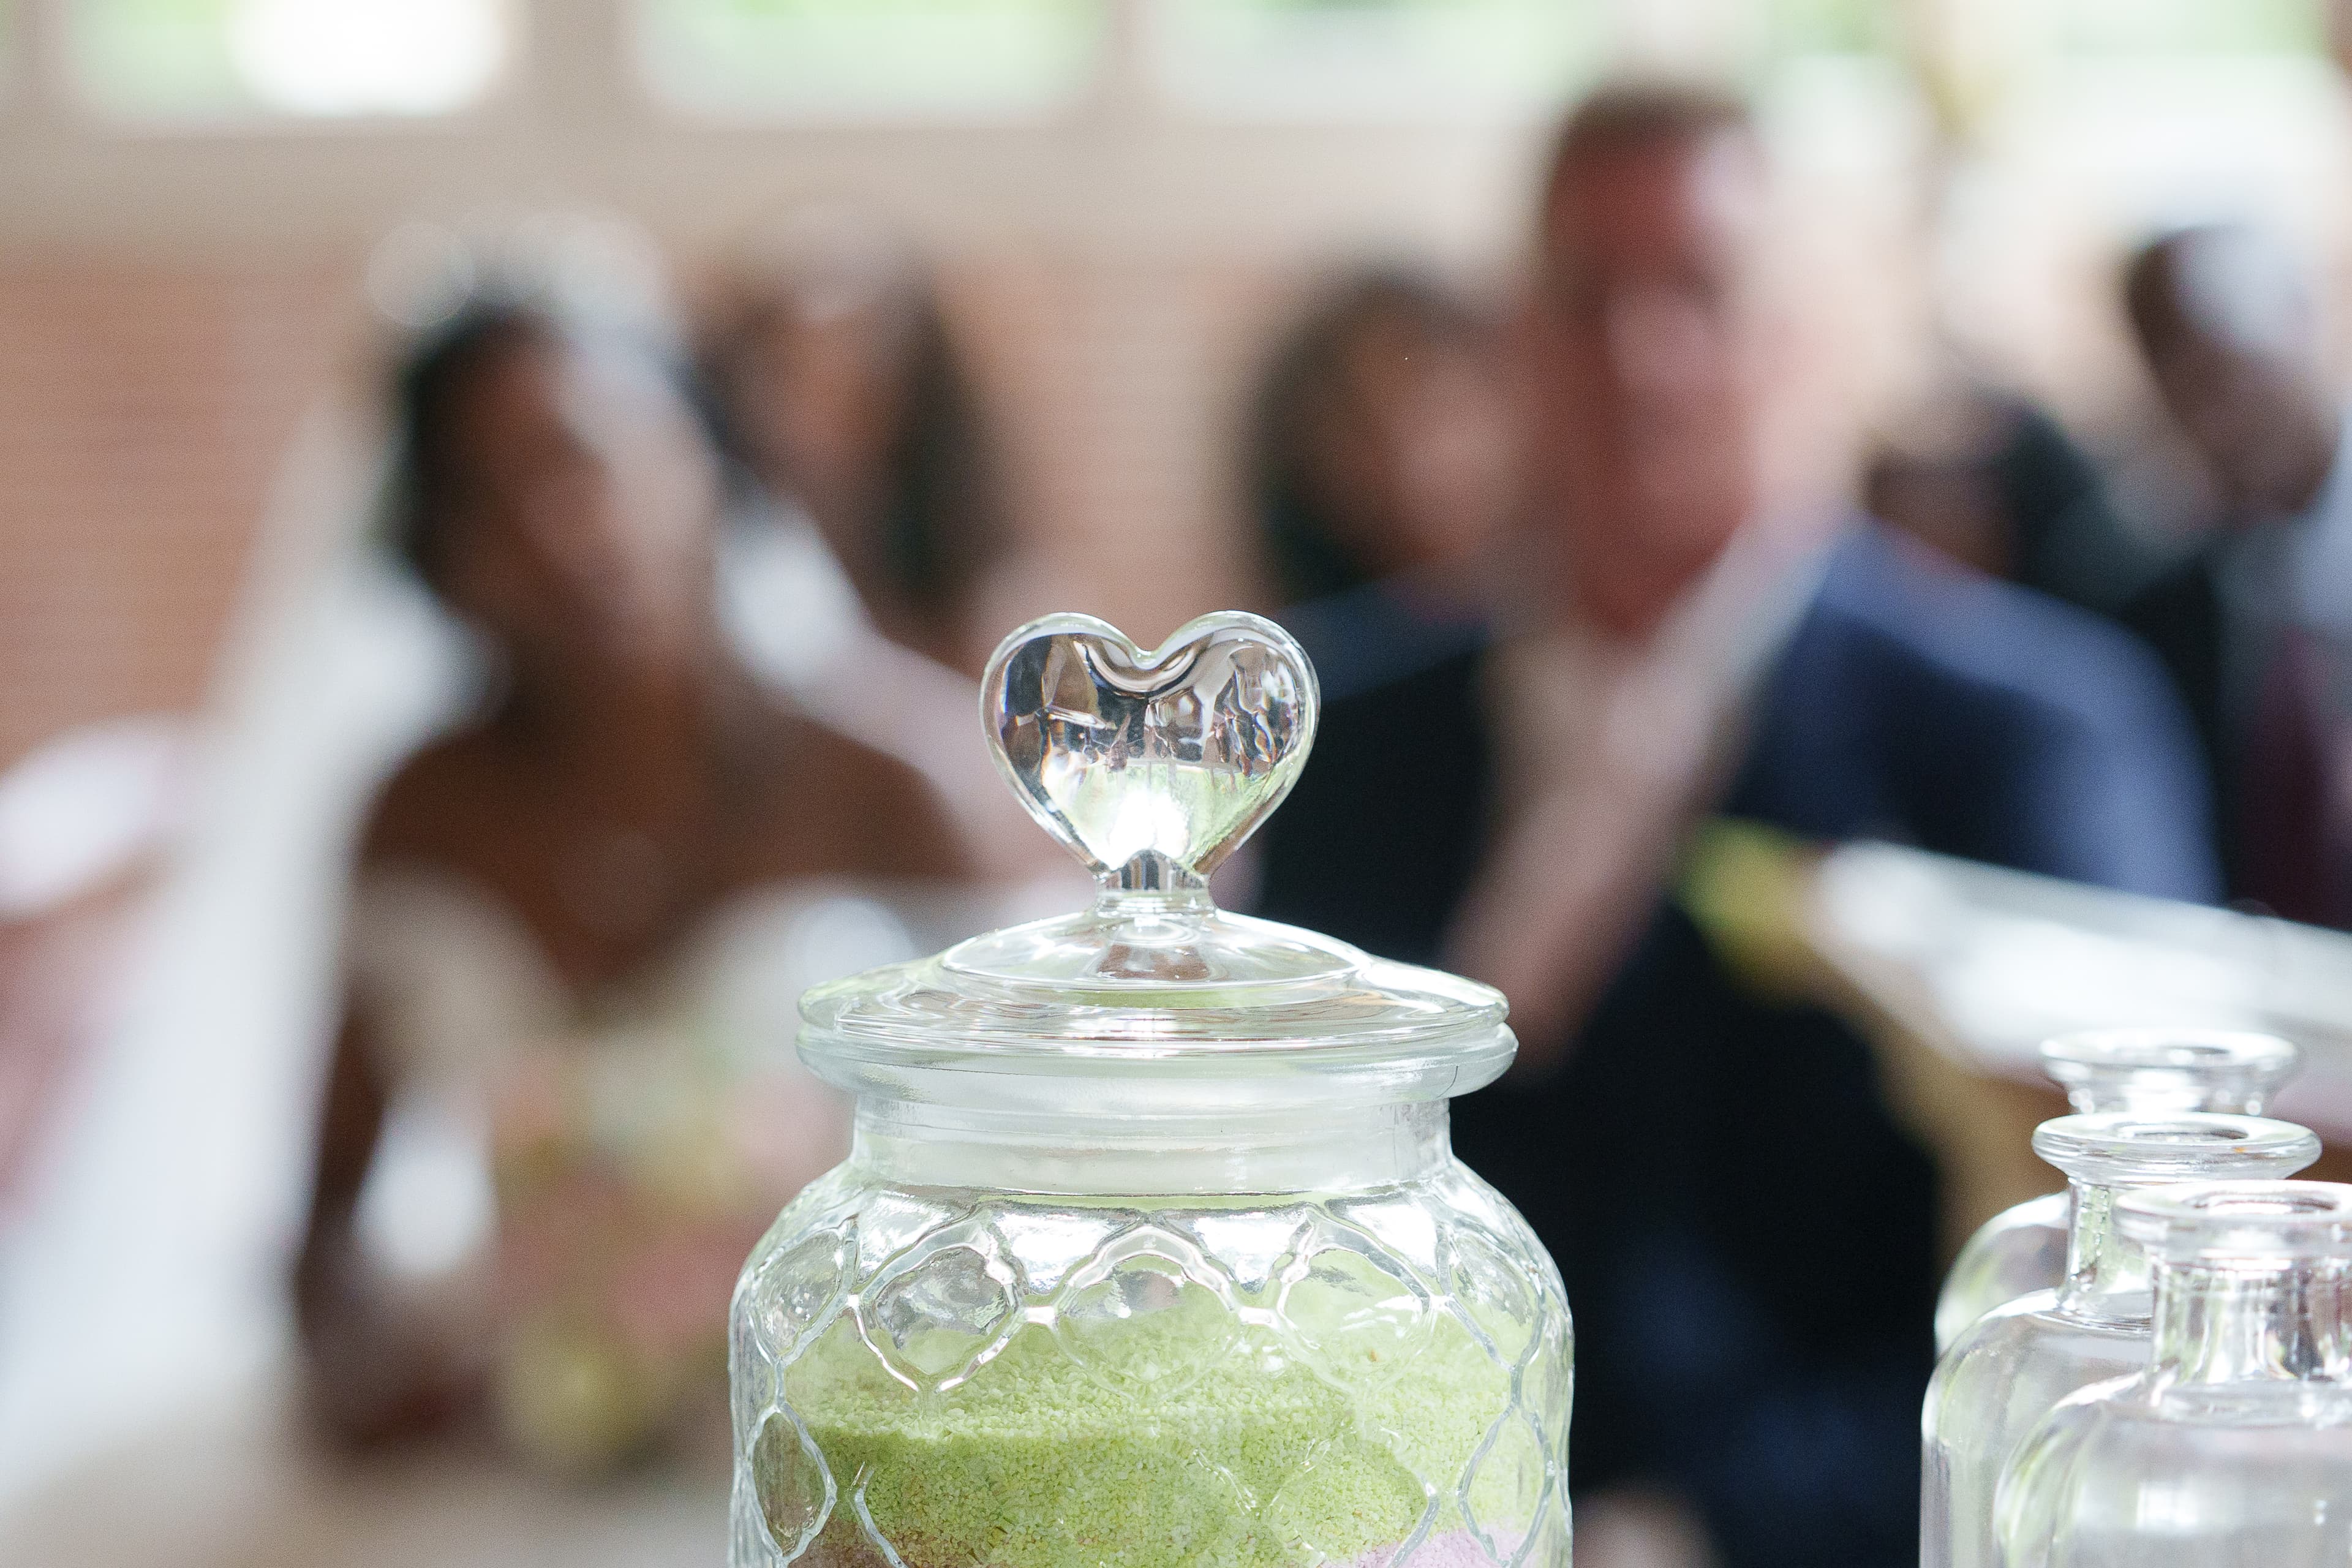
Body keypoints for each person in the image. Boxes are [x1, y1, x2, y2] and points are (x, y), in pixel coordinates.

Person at [1255, 83, 2215, 1568]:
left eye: (1698, 291)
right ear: (1516, 338)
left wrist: (1687, 1528)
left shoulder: (2023, 734)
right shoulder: (1339, 727)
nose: (1641, 359)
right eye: (1587, 299)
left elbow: (2120, 1279)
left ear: (1807, 332)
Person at [295, 290, 974, 1465]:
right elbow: (322, 1232)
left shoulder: (894, 782)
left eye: (584, 461)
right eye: (483, 502)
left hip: (858, 1451)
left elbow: (1074, 1171)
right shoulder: (421, 819)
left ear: (705, 458)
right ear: (437, 557)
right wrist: (365, 1374)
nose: (557, 531)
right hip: (523, 1463)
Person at [2120, 224, 2352, 924]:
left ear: (2300, 330)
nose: (2216, 426)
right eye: (2182, 400)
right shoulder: (2169, 594)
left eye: (2230, 378)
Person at [702, 225, 1009, 676]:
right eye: (790, 371)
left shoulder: (961, 538)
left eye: (854, 381)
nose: (814, 413)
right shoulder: (726, 537)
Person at [1246, 266, 1520, 697]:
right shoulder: (1323, 686)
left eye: (1436, 413)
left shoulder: (1548, 645)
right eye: (1363, 433)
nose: (1412, 463)